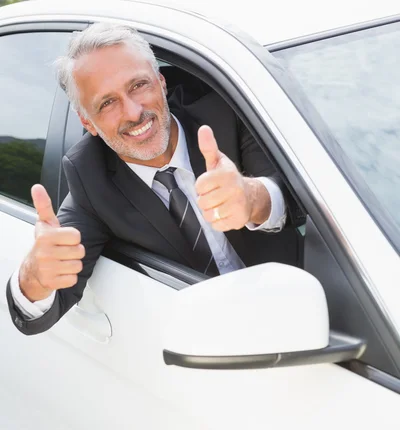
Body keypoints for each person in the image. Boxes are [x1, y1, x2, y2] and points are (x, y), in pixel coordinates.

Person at [6, 22, 302, 336]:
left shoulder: (225, 111)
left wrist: (253, 198)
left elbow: (303, 196)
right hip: (205, 345)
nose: (133, 112)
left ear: (161, 82)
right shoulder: (91, 179)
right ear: (87, 122)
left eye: (138, 85)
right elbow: (37, 314)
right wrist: (34, 277)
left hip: (309, 314)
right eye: (107, 103)